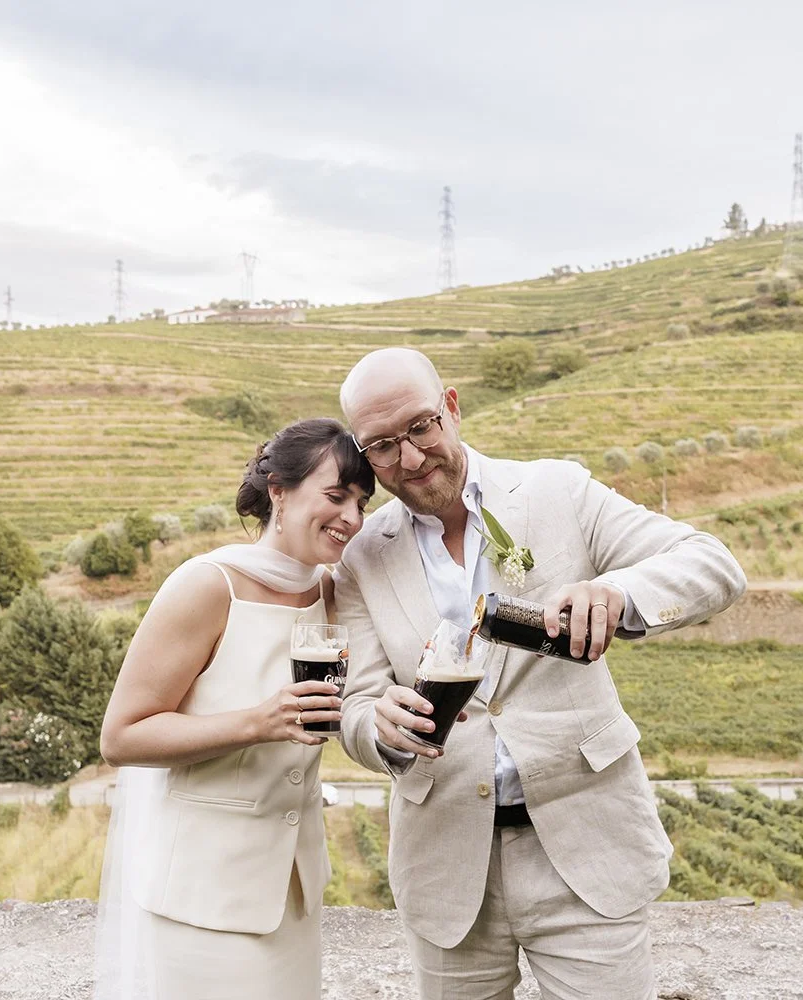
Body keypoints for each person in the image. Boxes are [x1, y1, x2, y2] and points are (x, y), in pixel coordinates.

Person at [334, 348, 747, 1000]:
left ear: (451, 407)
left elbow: (712, 564)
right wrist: (377, 725)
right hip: (445, 868)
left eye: (420, 427)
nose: (409, 459)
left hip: (589, 851)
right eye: (382, 447)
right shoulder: (359, 556)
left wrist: (617, 594)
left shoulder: (559, 491)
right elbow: (357, 707)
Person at [93, 417, 374, 1000]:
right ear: (279, 492)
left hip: (293, 896)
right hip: (205, 899)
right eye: (336, 496)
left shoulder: (330, 592)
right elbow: (121, 736)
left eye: (362, 502)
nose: (352, 517)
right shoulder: (207, 585)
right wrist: (257, 723)